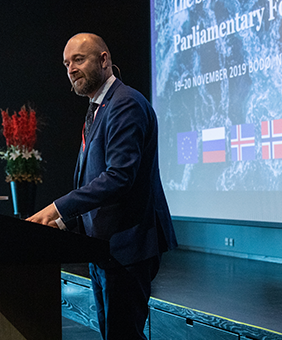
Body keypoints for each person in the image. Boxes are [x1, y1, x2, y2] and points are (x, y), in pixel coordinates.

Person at [26, 33, 177, 339]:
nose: (71, 68)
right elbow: (93, 179)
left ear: (104, 60)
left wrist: (57, 209)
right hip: (105, 247)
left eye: (79, 60)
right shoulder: (98, 107)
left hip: (128, 246)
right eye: (67, 63)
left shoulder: (126, 104)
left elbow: (119, 177)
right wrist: (65, 225)